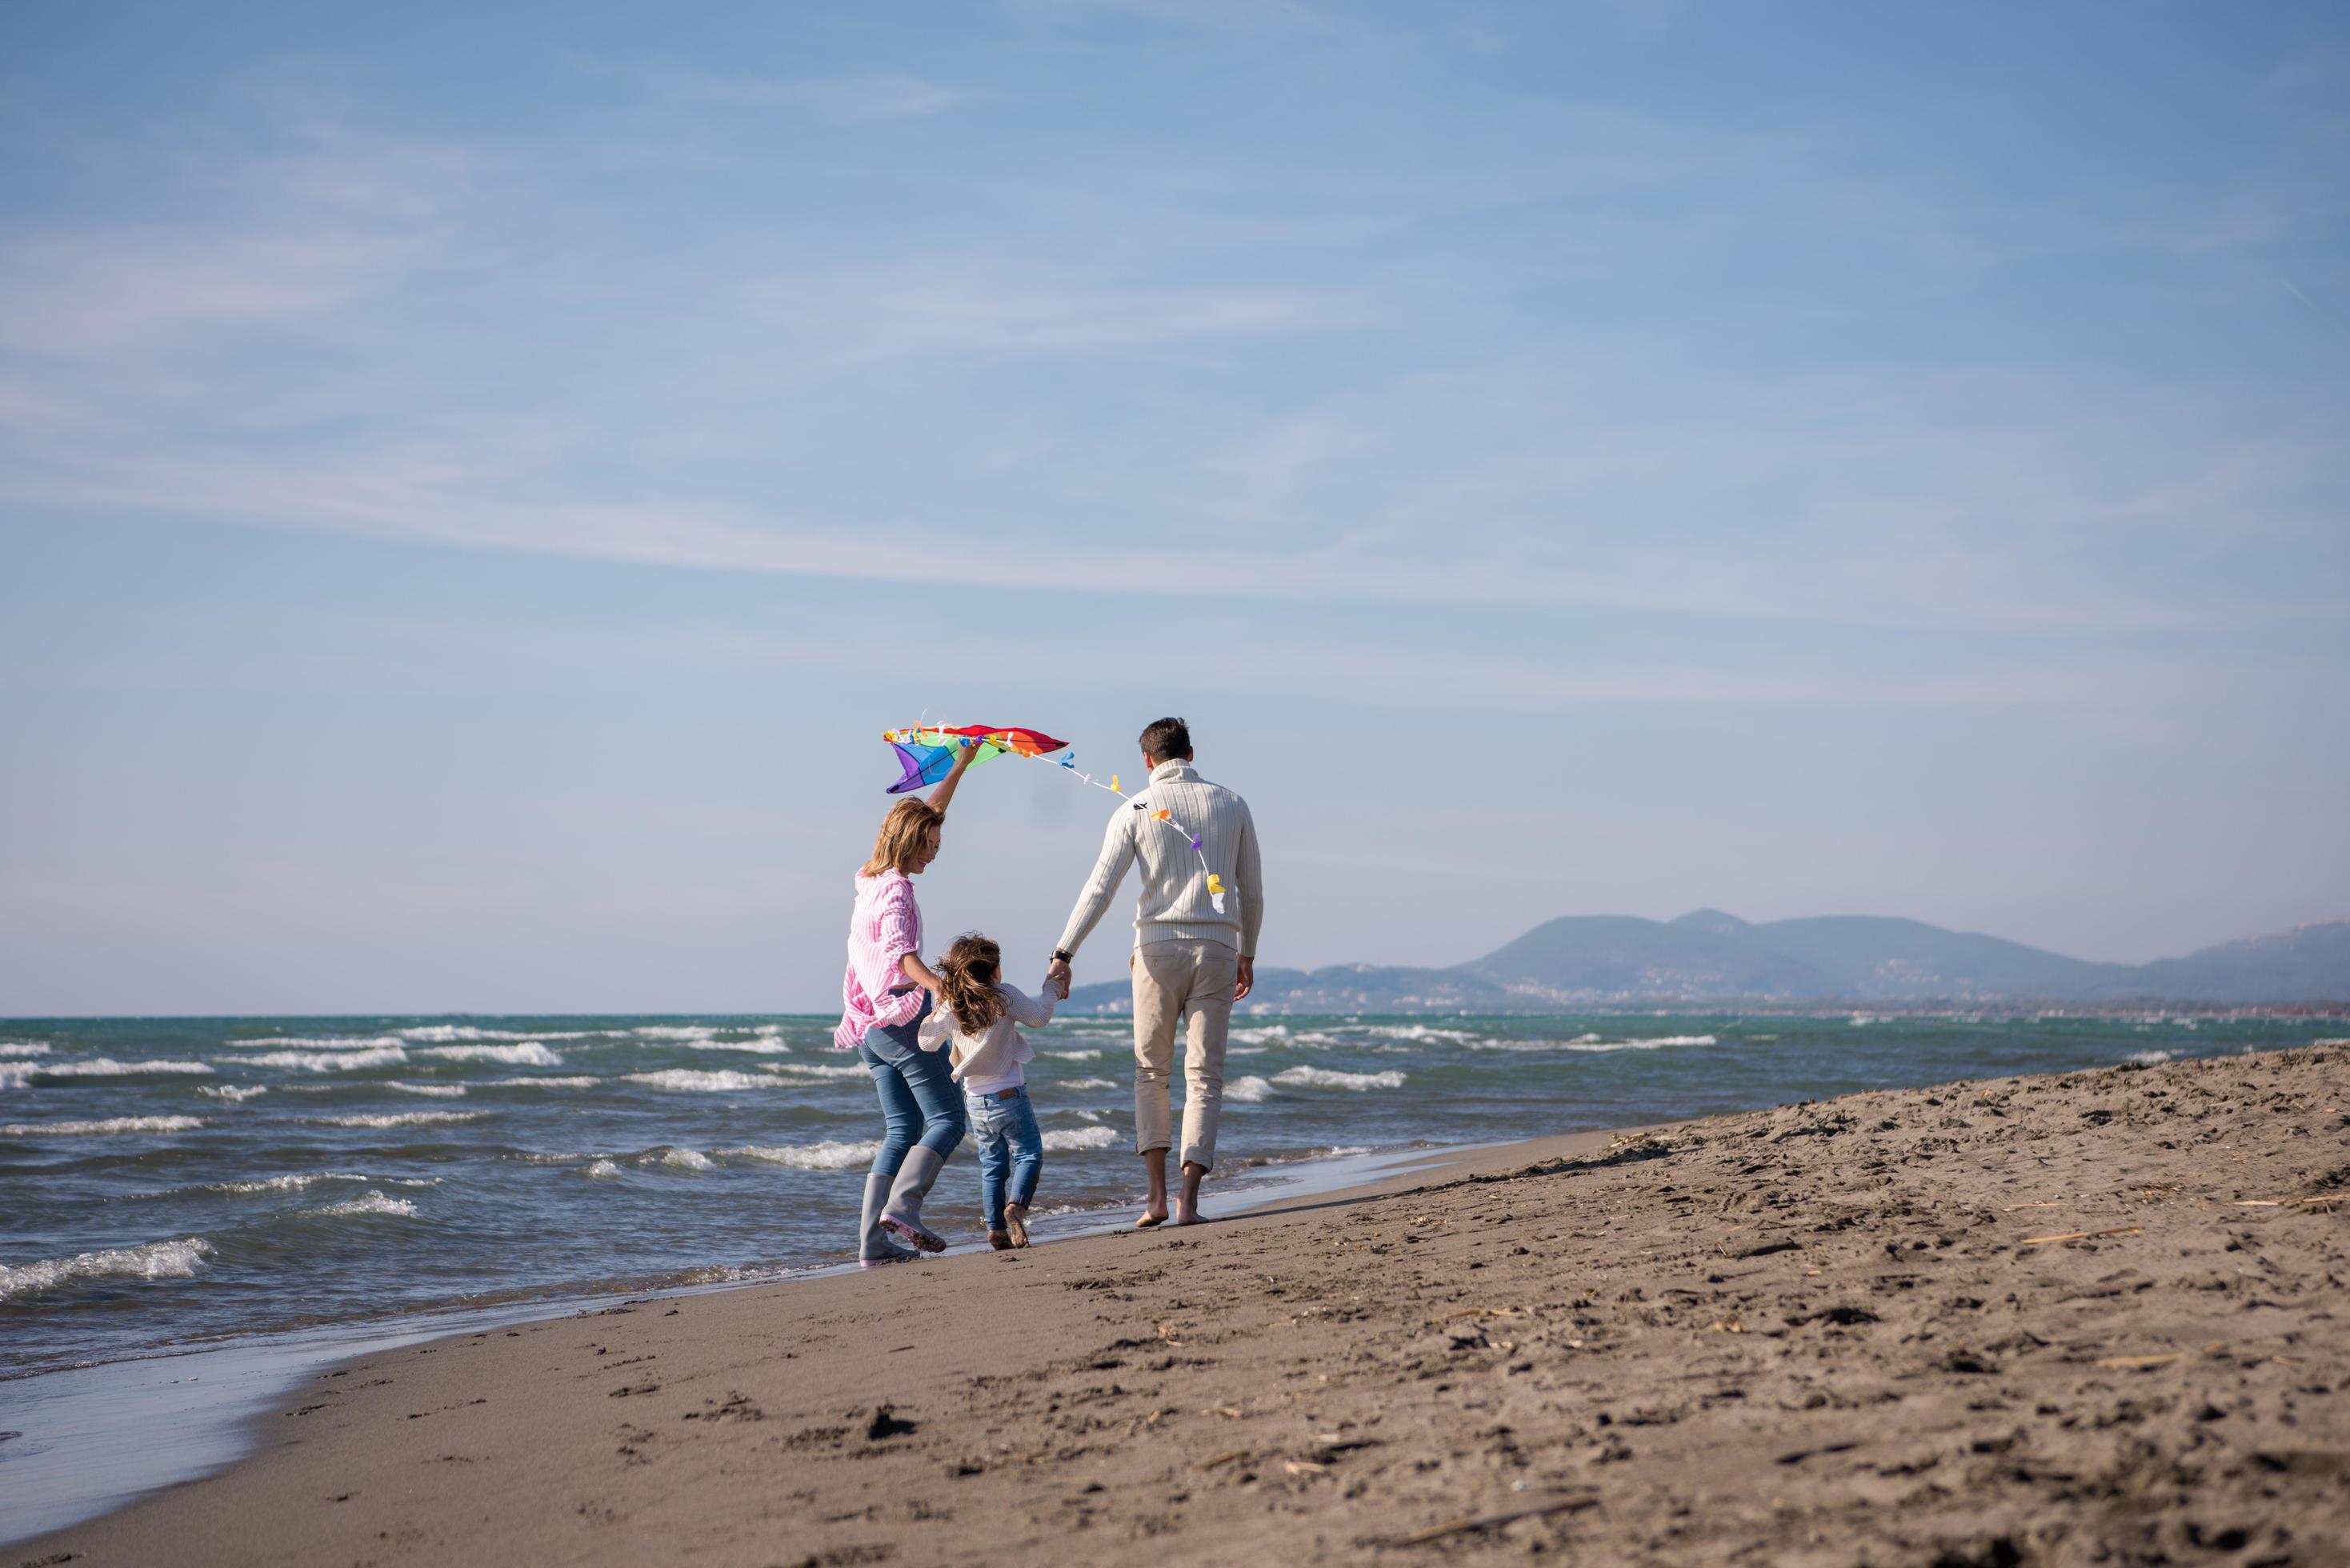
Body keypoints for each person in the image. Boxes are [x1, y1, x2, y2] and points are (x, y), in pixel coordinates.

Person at [1047, 718, 1261, 1227]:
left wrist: (1064, 952)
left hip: (1156, 951)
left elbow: (1100, 889)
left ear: (1147, 761)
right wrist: (1246, 952)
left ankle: (1156, 1199)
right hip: (1217, 948)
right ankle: (1190, 1201)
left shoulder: (1134, 808)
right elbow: (1251, 892)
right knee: (1204, 1075)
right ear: (1192, 751)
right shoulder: (1233, 804)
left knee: (1151, 1073)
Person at [835, 742, 975, 1266]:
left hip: (871, 1031)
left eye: (937, 843)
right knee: (947, 1121)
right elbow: (899, 953)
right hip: (901, 1017)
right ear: (909, 842)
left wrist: (960, 766)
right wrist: (938, 987)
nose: (934, 852)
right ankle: (904, 1208)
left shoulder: (867, 879)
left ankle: (873, 1243)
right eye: (929, 845)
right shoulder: (894, 892)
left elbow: (928, 812)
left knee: (902, 1130)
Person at [920, 933, 1063, 1250]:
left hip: (976, 1101)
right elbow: (1039, 1017)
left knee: (992, 1165)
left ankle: (996, 1230)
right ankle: (1016, 1206)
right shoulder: (1004, 996)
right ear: (994, 969)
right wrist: (1051, 988)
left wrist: (937, 1003)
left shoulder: (951, 1006)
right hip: (1010, 1093)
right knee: (1028, 1154)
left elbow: (926, 1043)